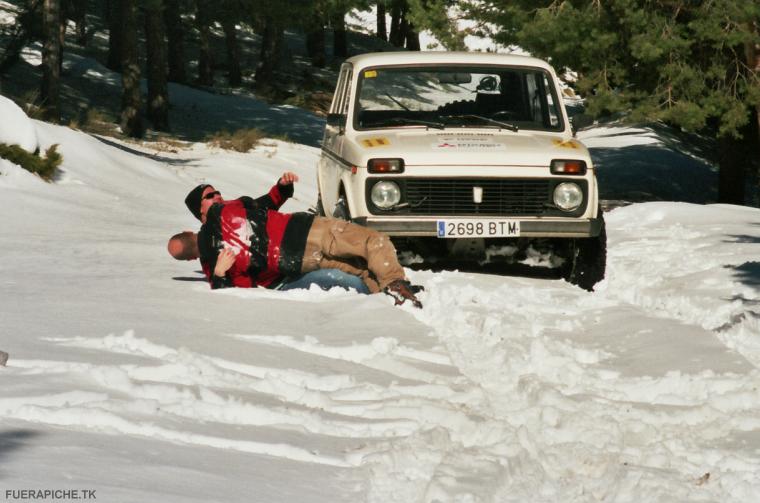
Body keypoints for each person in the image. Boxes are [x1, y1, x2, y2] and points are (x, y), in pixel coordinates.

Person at [170, 177, 423, 307]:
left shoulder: (215, 264)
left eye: (216, 192)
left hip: (297, 262)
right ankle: (395, 285)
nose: (218, 195)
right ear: (197, 215)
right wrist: (220, 275)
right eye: (210, 195)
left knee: (360, 265)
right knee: (373, 240)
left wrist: (219, 275)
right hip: (305, 231)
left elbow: (240, 290)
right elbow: (261, 206)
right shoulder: (224, 212)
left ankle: (391, 300)